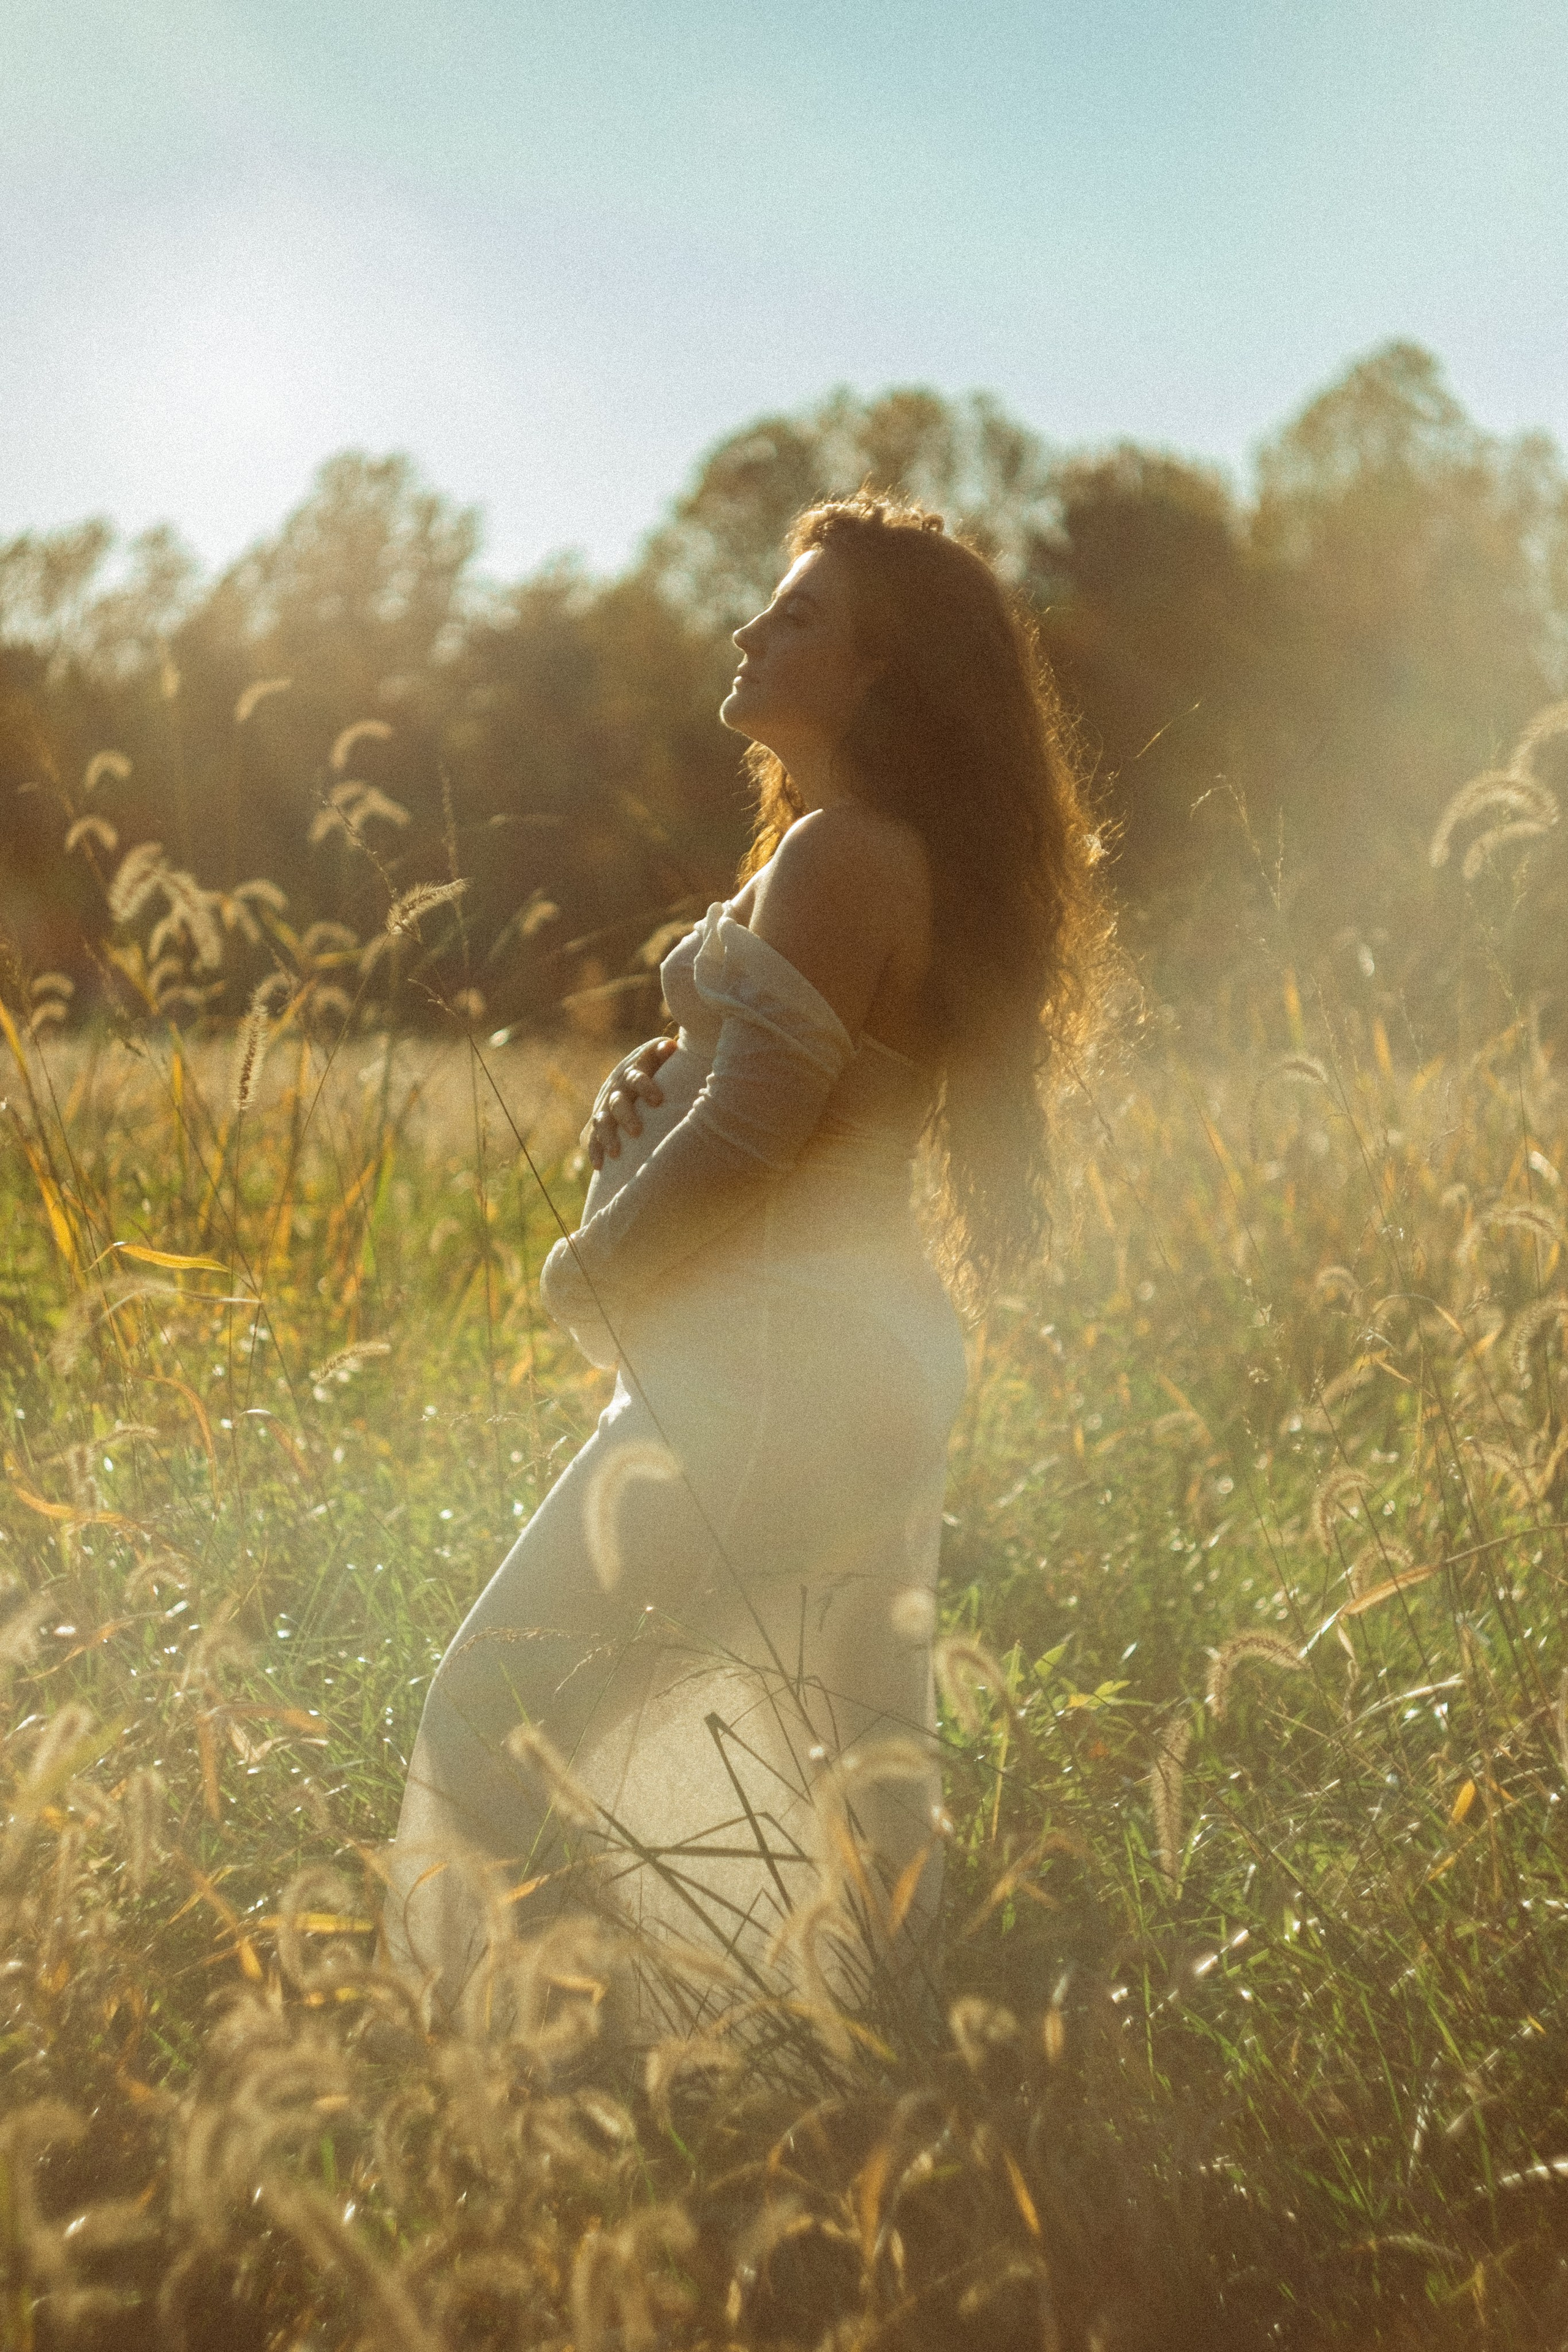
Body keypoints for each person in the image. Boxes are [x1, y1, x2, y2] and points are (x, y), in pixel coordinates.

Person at [384, 495, 1107, 2030]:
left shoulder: (845, 849)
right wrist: (652, 1087)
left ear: (872, 677)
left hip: (773, 1363)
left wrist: (589, 1271)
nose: (746, 632)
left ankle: (472, 2086)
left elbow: (762, 1125)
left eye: (793, 620)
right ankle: (886, 2082)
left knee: (487, 1713)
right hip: (848, 1353)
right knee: (837, 1763)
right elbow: (770, 1081)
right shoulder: (866, 854)